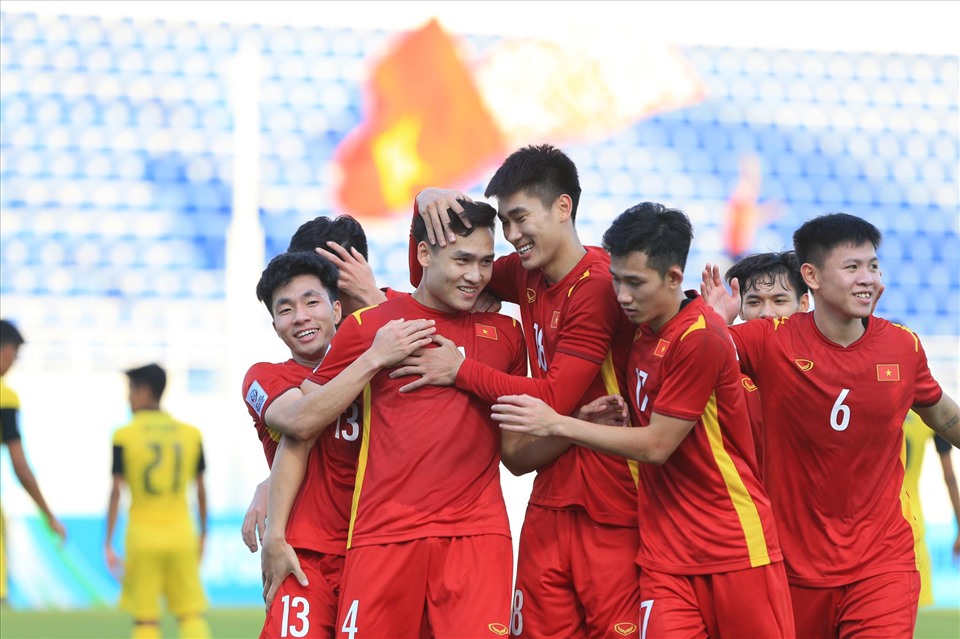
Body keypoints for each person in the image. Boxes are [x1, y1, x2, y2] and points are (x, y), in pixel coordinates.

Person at [493, 202, 793, 638]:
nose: (622, 297)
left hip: (732, 543)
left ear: (674, 278)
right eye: (616, 281)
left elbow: (657, 445)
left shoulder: (699, 337)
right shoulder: (642, 335)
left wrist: (560, 423)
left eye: (635, 283)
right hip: (663, 553)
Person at [408, 145, 640, 638]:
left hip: (611, 499)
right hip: (549, 493)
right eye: (505, 224)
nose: (511, 237)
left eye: (519, 219)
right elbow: (437, 274)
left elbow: (553, 398)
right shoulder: (528, 273)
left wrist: (461, 370)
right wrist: (425, 201)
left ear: (562, 207)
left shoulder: (598, 286)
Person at [270, 200, 525, 637]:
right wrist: (273, 524)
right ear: (423, 254)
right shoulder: (369, 332)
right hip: (374, 538)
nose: (476, 275)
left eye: (485, 262)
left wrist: (572, 423)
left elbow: (519, 453)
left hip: (474, 536)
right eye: (463, 260)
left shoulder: (503, 333)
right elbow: (304, 425)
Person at [702, 212, 960, 638]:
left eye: (873, 266)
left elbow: (944, 415)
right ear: (812, 277)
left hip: (883, 563)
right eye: (852, 267)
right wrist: (717, 322)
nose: (868, 278)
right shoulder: (769, 339)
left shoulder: (902, 346)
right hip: (790, 565)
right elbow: (685, 355)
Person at [243, 250, 434, 638]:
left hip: (377, 552)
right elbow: (301, 421)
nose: (300, 317)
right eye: (285, 310)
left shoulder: (390, 371)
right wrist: (373, 359)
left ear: (336, 310)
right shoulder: (263, 377)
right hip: (305, 556)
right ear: (275, 325)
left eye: (311, 302)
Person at [105, 364, 210, 639]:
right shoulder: (190, 434)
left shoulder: (123, 435)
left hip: (142, 536)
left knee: (145, 620)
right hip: (181, 534)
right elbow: (200, 489)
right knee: (189, 614)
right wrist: (203, 535)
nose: (128, 398)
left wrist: (107, 541)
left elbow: (116, 491)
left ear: (143, 391)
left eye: (130, 391)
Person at [0, 319, 67, 606]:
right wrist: (48, 514)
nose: (14, 361)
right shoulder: (5, 397)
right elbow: (20, 466)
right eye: (15, 352)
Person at [723, 251, 809, 471]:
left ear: (804, 304)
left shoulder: (826, 364)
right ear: (740, 308)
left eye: (779, 301)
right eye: (754, 302)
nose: (766, 313)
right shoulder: (720, 365)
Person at [902, 409, 960, 607]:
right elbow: (950, 476)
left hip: (873, 522)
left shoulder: (877, 403)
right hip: (912, 524)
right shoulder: (927, 409)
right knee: (917, 617)